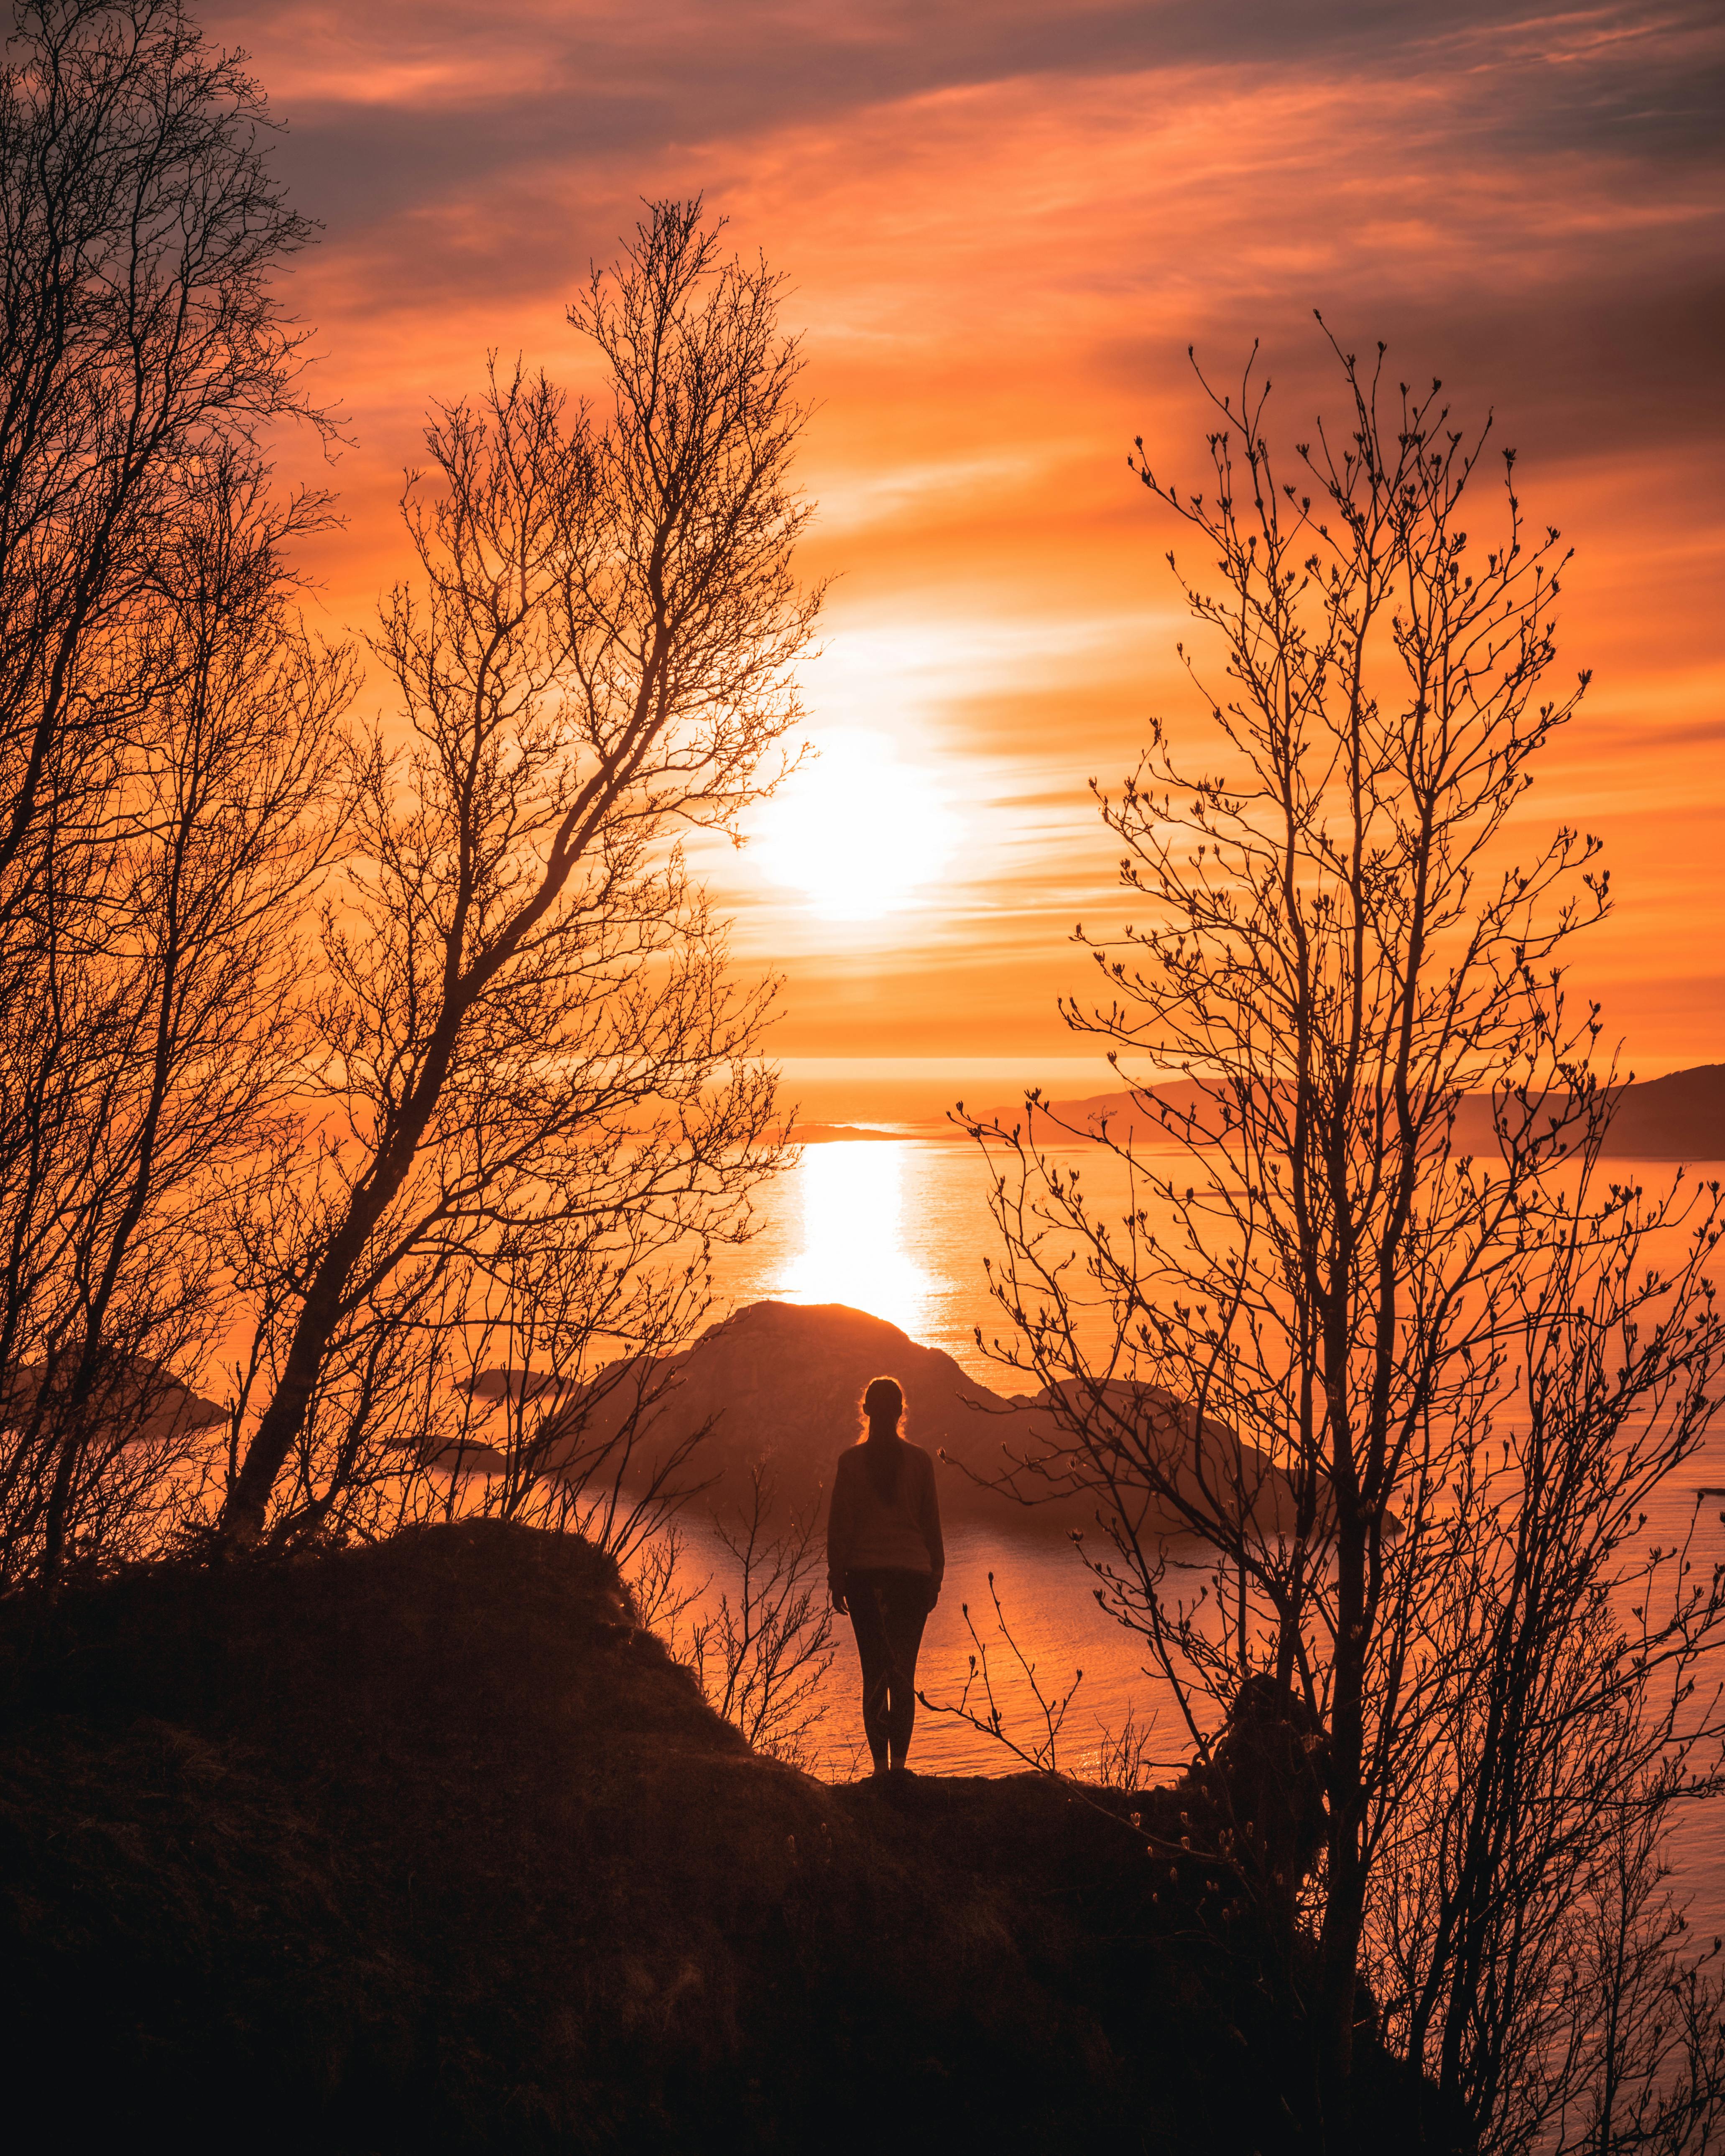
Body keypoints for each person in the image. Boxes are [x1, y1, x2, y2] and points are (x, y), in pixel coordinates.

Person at [826, 1375, 944, 1777]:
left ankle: (880, 1771)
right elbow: (932, 1528)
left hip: (864, 1579)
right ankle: (899, 1769)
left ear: (867, 1410)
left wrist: (837, 1577)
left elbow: (839, 1526)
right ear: (899, 1412)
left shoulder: (849, 1463)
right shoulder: (921, 1462)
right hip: (912, 1578)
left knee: (874, 1672)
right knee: (903, 1674)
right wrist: (936, 1577)